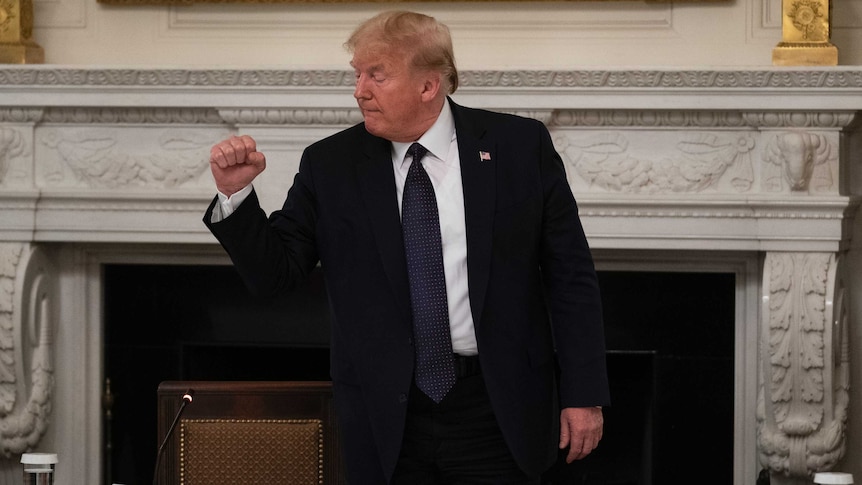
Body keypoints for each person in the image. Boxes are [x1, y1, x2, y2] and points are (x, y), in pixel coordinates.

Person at [205, 10, 609, 485]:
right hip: (385, 415)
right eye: (357, 74)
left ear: (428, 85)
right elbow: (276, 277)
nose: (359, 90)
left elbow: (571, 276)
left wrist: (583, 392)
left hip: (497, 408)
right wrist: (235, 196)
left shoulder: (519, 147)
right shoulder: (330, 164)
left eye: (377, 75)